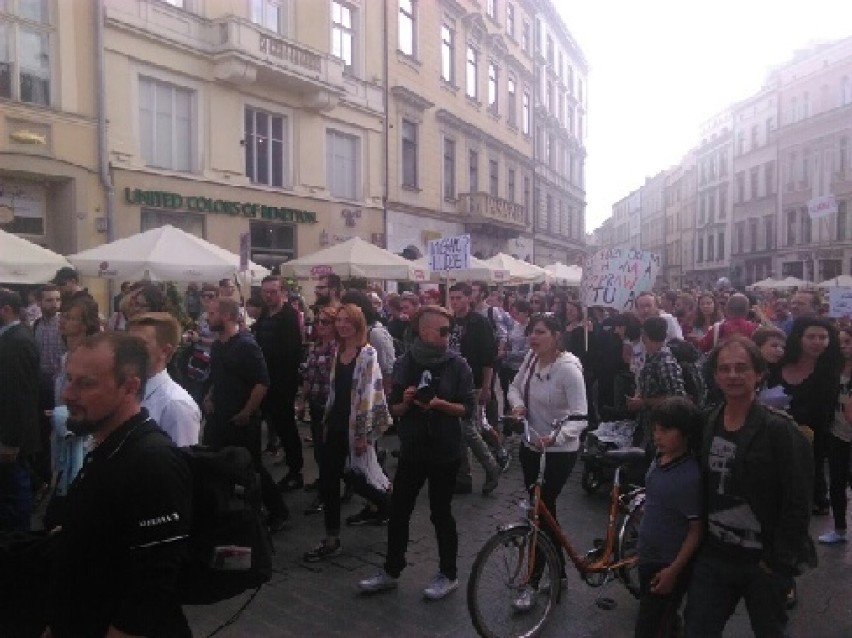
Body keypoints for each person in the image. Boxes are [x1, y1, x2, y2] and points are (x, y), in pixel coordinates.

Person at [43, 332, 192, 637]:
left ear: (130, 386)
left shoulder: (152, 461)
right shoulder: (107, 444)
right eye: (69, 379)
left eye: (86, 384)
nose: (67, 395)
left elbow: (152, 583)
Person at [684, 336, 816, 638]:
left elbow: (798, 503)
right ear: (716, 376)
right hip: (715, 556)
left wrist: (778, 564)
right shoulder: (709, 422)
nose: (732, 375)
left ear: (758, 374)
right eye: (725, 368)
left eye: (741, 368)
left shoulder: (779, 430)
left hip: (763, 563)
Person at [358, 305, 475, 600]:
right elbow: (392, 409)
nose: (449, 336)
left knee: (441, 513)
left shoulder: (457, 365)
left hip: (445, 450)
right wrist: (407, 402)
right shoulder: (406, 362)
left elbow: (467, 409)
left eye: (451, 330)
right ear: (424, 331)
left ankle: (448, 575)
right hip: (412, 449)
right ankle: (391, 570)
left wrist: (438, 404)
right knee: (399, 511)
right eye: (444, 330)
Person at [507, 314, 588, 610]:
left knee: (540, 513)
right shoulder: (530, 359)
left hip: (558, 452)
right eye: (531, 332)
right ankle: (560, 571)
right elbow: (514, 388)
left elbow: (581, 416)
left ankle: (534, 579)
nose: (533, 337)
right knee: (541, 512)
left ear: (556, 335)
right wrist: (517, 407)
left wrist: (556, 437)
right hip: (530, 446)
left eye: (540, 332)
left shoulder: (568, 370)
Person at [303, 304, 391, 561]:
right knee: (330, 479)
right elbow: (334, 391)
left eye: (347, 321)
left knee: (356, 477)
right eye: (338, 320)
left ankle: (386, 504)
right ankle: (332, 538)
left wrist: (363, 434)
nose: (341, 325)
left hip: (354, 427)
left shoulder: (367, 353)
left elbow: (368, 394)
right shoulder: (339, 350)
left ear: (358, 323)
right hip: (335, 423)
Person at [203, 297, 289, 532]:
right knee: (213, 461)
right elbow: (217, 376)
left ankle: (277, 511)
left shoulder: (246, 345)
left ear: (227, 316)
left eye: (212, 314)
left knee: (252, 468)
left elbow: (262, 382)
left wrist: (247, 412)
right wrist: (210, 395)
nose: (207, 318)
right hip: (219, 416)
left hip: (242, 420)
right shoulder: (218, 345)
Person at [635, 397, 703, 638]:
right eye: (655, 429)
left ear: (685, 433)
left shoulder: (690, 477)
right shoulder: (658, 459)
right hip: (648, 556)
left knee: (649, 627)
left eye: (665, 430)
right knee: (661, 621)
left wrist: (673, 571)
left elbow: (696, 530)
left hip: (667, 563)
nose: (657, 436)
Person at [769, 317, 842, 516]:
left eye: (823, 337)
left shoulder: (831, 371)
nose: (817, 342)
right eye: (811, 336)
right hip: (777, 434)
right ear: (799, 338)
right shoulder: (778, 365)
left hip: (815, 438)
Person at [44, 295, 101, 530]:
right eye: (63, 316)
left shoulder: (91, 358)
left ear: (86, 324)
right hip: (63, 434)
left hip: (81, 438)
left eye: (70, 317)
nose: (63, 321)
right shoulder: (66, 356)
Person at [447, 283, 500, 496]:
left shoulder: (479, 322)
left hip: (474, 381)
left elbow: (488, 357)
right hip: (453, 382)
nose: (455, 302)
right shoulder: (451, 321)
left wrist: (486, 387)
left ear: (469, 298)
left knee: (468, 429)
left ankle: (491, 466)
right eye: (452, 298)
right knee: (458, 430)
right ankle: (463, 476)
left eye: (459, 297)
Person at [253, 276, 304, 489]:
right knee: (257, 423)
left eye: (273, 291)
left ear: (282, 292)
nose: (268, 295)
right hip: (262, 379)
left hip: (282, 382)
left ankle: (296, 470)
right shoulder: (265, 314)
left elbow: (292, 353)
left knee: (285, 426)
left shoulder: (289, 316)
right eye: (265, 292)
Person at [127, 312, 201, 446]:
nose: (130, 350)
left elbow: (182, 461)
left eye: (140, 344)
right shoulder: (128, 390)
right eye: (128, 343)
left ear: (165, 351)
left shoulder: (176, 405)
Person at [0, 290, 40, 531]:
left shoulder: (18, 342)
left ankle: (19, 540)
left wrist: (10, 441)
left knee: (15, 489)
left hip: (13, 436)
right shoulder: (11, 339)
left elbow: (18, 395)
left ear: (5, 310)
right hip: (9, 432)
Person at [297, 305, 338, 514]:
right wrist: (302, 401)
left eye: (325, 322)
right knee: (320, 452)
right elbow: (307, 376)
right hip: (315, 403)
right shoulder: (314, 347)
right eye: (318, 322)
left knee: (327, 451)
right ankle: (326, 484)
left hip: (330, 407)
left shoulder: (338, 349)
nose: (320, 326)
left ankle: (328, 492)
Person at [627, 317, 687, 450]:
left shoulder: (665, 362)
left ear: (645, 336)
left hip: (664, 426)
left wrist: (644, 402)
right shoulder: (652, 357)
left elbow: (677, 398)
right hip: (650, 425)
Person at [818, 326, 852, 544]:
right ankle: (839, 529)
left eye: (848, 342)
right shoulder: (833, 367)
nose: (843, 346)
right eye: (839, 342)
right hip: (837, 432)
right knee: (837, 483)